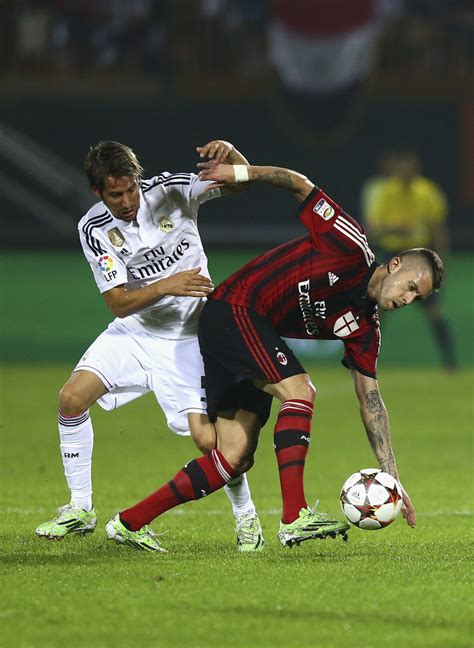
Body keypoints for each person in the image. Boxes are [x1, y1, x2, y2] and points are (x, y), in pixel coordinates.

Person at [103, 159, 444, 553]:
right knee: (301, 389)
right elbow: (300, 183)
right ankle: (294, 516)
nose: (408, 298)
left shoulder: (366, 329)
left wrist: (393, 476)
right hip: (236, 307)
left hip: (247, 334)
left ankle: (129, 522)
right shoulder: (349, 246)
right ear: (396, 264)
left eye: (417, 298)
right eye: (411, 286)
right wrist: (242, 175)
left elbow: (371, 402)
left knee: (232, 456)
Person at [35, 139, 265, 552]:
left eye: (130, 190)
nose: (126, 201)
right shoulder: (94, 229)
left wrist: (231, 152)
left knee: (209, 441)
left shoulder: (173, 191)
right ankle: (81, 508)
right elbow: (118, 303)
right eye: (114, 194)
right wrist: (168, 284)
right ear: (96, 193)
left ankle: (247, 517)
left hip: (190, 337)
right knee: (71, 399)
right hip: (137, 332)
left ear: (139, 180)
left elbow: (241, 183)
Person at [362, 149, 456, 370]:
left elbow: (438, 229)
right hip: (392, 256)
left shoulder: (427, 191)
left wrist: (443, 262)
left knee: (434, 313)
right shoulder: (386, 191)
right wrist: (394, 229)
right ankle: (363, 361)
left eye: (408, 163)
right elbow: (372, 228)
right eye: (400, 162)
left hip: (419, 258)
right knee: (377, 310)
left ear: (415, 165)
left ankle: (450, 363)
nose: (404, 167)